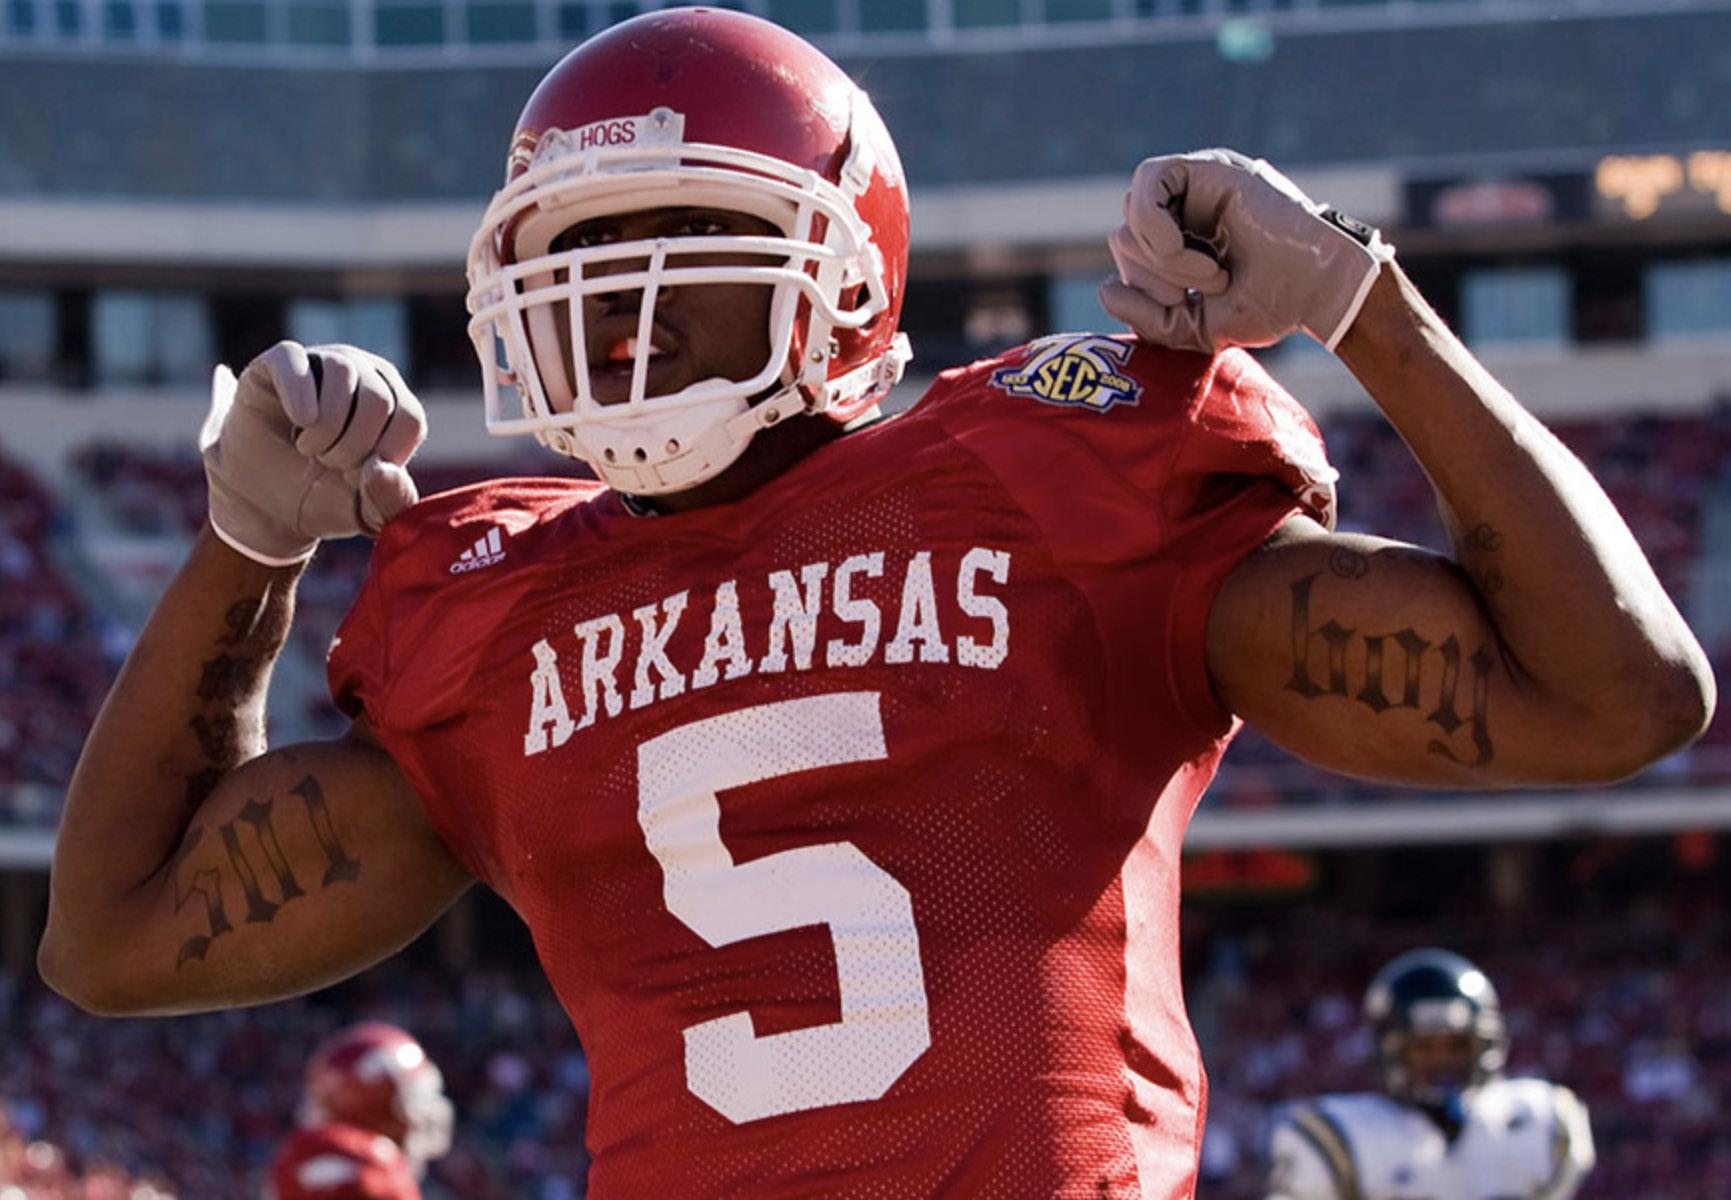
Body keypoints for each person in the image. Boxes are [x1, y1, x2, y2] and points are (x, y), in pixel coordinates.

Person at [39, 8, 1712, 1197]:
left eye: (690, 238)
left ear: (841, 273)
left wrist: (1364, 302)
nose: (622, 310)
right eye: (582, 254)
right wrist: (244, 548)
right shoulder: (497, 604)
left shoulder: (1047, 479)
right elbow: (107, 943)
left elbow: (1618, 698)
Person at [1264, 949, 1595, 1200]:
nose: (1441, 1060)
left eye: (1456, 1045)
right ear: (1391, 1050)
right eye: (1424, 1047)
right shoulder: (1338, 1136)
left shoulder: (1539, 1119)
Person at [267, 1022, 453, 1200]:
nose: (424, 1112)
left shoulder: (306, 1156)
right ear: (375, 1100)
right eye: (413, 1098)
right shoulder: (363, 1170)